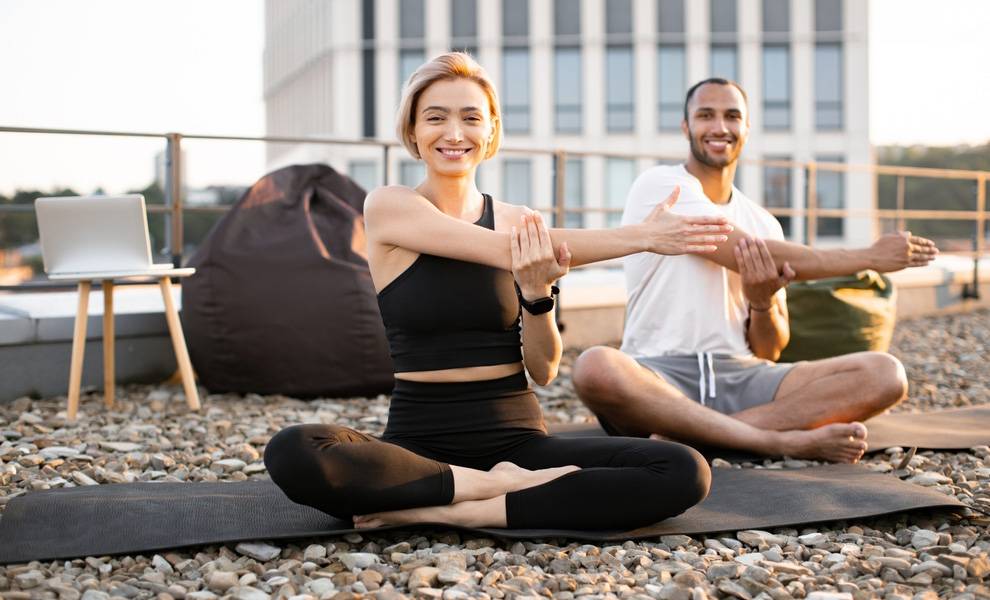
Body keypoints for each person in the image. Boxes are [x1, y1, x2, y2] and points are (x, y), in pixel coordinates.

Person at [263, 53, 734, 530]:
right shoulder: (391, 206)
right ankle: (495, 487)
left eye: (470, 118)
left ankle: (440, 510)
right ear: (412, 131)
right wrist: (640, 236)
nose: (453, 134)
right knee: (294, 451)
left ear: (490, 132)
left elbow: (545, 369)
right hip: (418, 442)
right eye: (436, 118)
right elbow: (504, 251)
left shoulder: (518, 220)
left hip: (517, 438)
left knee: (683, 469)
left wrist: (536, 294)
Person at [572, 78, 939, 464]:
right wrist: (869, 257)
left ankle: (698, 437)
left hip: (743, 375)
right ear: (686, 128)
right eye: (705, 116)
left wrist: (761, 303)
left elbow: (770, 348)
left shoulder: (764, 222)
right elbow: (748, 252)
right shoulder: (663, 187)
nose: (719, 127)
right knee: (596, 367)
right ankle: (777, 441)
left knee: (885, 374)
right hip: (659, 376)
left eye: (732, 116)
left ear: (746, 128)